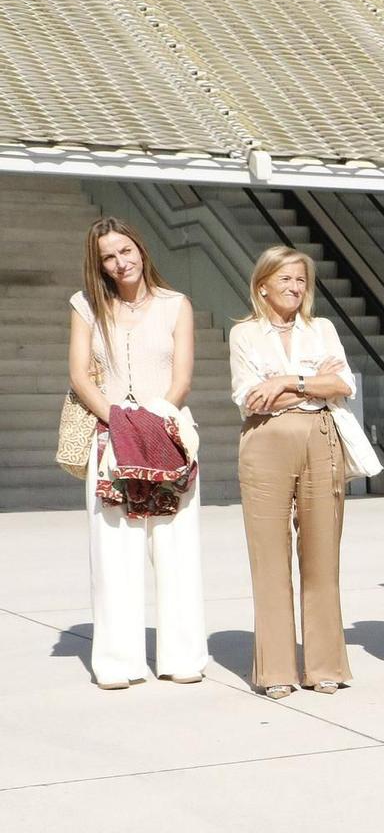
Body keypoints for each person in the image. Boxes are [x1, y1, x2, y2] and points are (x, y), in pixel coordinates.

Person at [67, 218, 208, 689]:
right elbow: (80, 376)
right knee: (113, 553)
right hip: (110, 439)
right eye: (109, 256)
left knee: (175, 549)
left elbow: (182, 377)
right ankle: (116, 661)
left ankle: (182, 656)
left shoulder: (175, 305)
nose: (120, 262)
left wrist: (153, 420)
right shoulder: (86, 306)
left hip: (169, 431)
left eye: (125, 250)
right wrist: (119, 420)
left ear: (141, 250)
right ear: (99, 265)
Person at [228, 246, 354, 698]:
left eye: (301, 280)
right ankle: (276, 668)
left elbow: (343, 385)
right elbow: (250, 399)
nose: (295, 288)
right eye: (285, 279)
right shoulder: (243, 334)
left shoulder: (321, 329)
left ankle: (324, 665)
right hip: (265, 442)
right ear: (263, 284)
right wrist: (313, 385)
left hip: (321, 440)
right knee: (269, 558)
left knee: (322, 556)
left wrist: (284, 381)